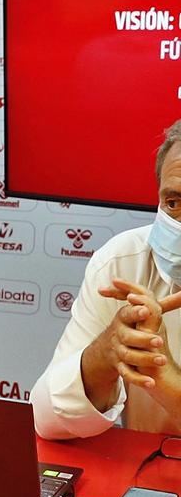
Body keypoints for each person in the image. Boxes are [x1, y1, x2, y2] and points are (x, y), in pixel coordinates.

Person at [32, 119, 181, 438]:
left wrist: (164, 377)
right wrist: (102, 357)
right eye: (174, 203)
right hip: (149, 479)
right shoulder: (124, 261)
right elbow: (46, 421)